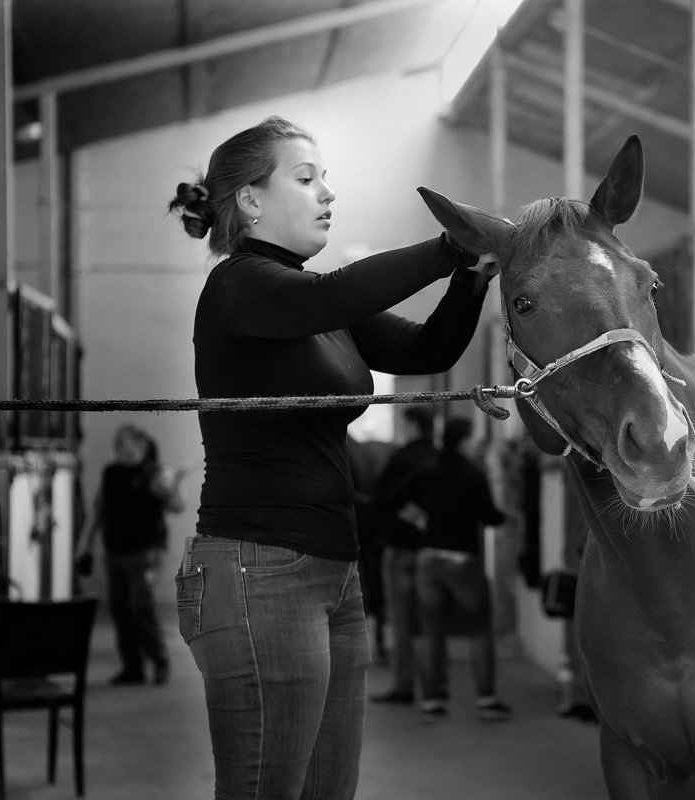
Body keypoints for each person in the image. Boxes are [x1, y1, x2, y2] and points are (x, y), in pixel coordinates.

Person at [167, 115, 496, 800]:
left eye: (326, 181)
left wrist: (472, 276)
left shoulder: (320, 306)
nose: (327, 195)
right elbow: (328, 294)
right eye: (306, 178)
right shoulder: (240, 286)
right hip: (257, 568)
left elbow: (424, 353)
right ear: (251, 201)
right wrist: (446, 248)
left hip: (333, 574)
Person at [393, 416, 510, 722]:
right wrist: (503, 509)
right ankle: (486, 700)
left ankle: (430, 702)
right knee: (480, 630)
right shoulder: (473, 473)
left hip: (429, 559)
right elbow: (491, 517)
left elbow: (394, 500)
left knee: (431, 632)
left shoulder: (427, 468)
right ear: (466, 440)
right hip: (463, 563)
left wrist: (421, 521)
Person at [76, 423, 186, 686]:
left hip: (146, 553)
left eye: (121, 443)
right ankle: (132, 666)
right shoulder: (111, 473)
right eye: (116, 444)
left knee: (141, 605)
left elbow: (177, 506)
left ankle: (159, 659)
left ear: (139, 445)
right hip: (115, 552)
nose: (117, 449)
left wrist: (173, 485)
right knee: (120, 610)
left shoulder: (156, 473)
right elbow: (98, 510)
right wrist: (85, 545)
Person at [368, 405, 437, 704]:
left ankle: (405, 684)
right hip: (432, 549)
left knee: (402, 621)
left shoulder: (400, 459)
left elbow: (381, 499)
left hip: (399, 548)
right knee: (430, 621)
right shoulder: (437, 457)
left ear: (411, 425)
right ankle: (435, 686)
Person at [346, 435, 394, 663]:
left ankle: (371, 637)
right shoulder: (361, 450)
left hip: (358, 527)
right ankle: (378, 637)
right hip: (371, 529)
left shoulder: (348, 449)